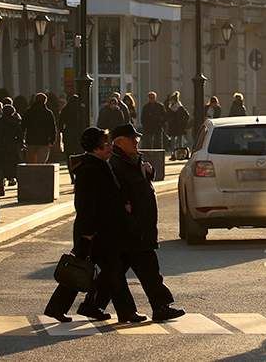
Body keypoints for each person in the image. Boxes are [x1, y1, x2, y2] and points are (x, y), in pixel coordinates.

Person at [44, 127, 145, 324]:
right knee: (105, 270)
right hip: (95, 232)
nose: (109, 147)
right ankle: (125, 312)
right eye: (105, 144)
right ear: (95, 147)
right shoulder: (91, 169)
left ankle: (70, 307)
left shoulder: (99, 165)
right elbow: (86, 205)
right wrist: (88, 232)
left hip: (102, 230)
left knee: (86, 270)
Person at [91, 124, 185, 322]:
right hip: (131, 227)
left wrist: (148, 172)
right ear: (119, 142)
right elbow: (115, 193)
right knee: (149, 269)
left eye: (137, 139)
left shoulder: (132, 159)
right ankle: (160, 307)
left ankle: (93, 305)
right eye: (132, 138)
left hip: (140, 225)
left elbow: (141, 182)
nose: (136, 141)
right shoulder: (116, 163)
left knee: (115, 272)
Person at [0, 105, 24, 194]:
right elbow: (20, 135)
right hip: (13, 147)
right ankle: (17, 183)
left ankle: (1, 186)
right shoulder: (15, 121)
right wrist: (20, 144)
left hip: (1, 147)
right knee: (14, 165)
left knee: (1, 167)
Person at [23, 93, 58, 164]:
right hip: (44, 141)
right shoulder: (48, 113)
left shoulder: (29, 111)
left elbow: (23, 125)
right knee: (41, 163)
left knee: (31, 163)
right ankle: (40, 175)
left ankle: (31, 175)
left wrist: (23, 139)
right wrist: (52, 140)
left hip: (31, 140)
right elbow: (52, 127)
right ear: (45, 101)